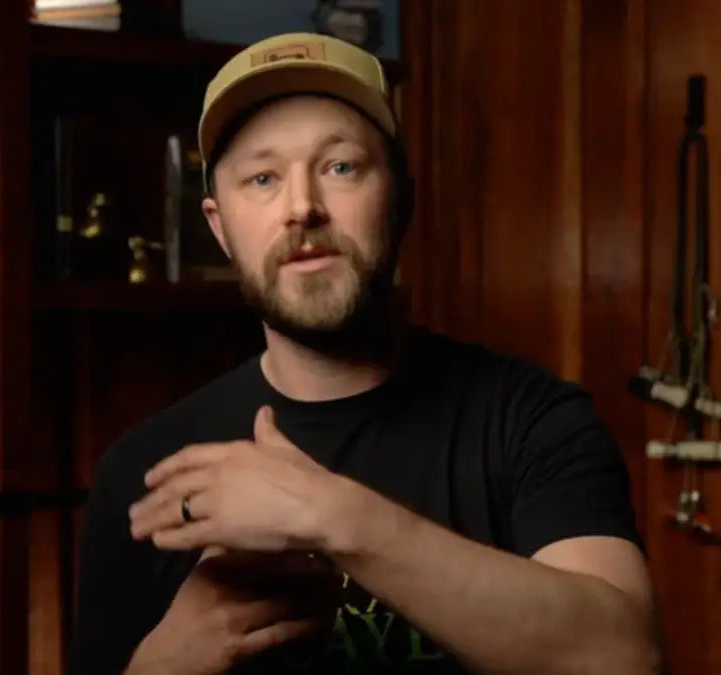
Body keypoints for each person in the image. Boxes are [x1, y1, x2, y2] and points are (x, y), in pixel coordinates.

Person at [69, 31, 663, 675]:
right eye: (263, 178)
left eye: (340, 168)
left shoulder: (532, 421)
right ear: (220, 227)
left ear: (401, 198)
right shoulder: (146, 473)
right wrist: (162, 667)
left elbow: (623, 658)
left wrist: (335, 517)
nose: (302, 208)